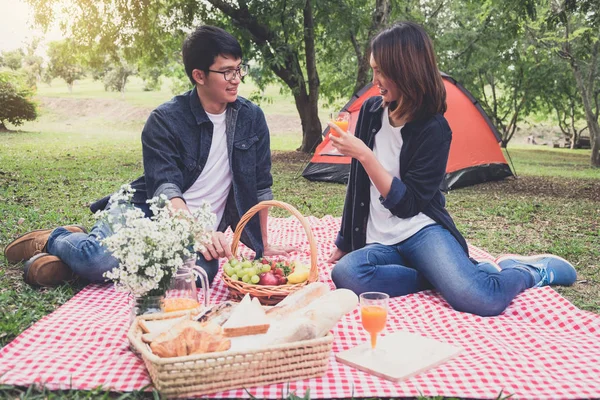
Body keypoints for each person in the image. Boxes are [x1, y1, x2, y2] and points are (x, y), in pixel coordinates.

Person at [4, 25, 293, 288]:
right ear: (199, 75)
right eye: (227, 71)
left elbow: (260, 187)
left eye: (239, 69)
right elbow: (165, 190)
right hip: (143, 212)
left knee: (195, 277)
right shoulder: (165, 119)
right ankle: (56, 239)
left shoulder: (251, 118)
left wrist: (262, 243)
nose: (236, 79)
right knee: (98, 260)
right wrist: (196, 232)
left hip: (194, 231)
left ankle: (79, 264)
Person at [326, 22, 577, 317]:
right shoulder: (370, 113)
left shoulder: (434, 130)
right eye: (373, 69)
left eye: (381, 70)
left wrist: (366, 155)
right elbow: (357, 185)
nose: (374, 79)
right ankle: (443, 276)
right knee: (347, 274)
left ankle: (527, 271)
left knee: (483, 299)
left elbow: (408, 205)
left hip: (421, 231)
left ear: (405, 71)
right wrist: (344, 240)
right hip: (381, 240)